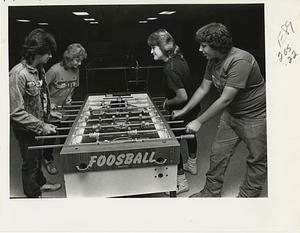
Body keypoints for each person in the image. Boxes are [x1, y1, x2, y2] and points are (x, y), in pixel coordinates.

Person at [172, 22, 267, 198]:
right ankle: (210, 192)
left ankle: (248, 197)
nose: (200, 49)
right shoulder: (213, 61)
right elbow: (203, 88)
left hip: (254, 116)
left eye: (204, 45)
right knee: (218, 154)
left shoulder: (240, 61)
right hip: (231, 114)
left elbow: (226, 98)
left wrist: (199, 121)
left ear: (217, 45)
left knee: (257, 158)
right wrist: (184, 110)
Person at [10, 28, 62, 198]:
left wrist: (49, 113)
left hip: (38, 125)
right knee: (30, 163)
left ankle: (41, 184)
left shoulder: (39, 69)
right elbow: (14, 111)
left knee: (38, 158)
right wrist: (41, 125)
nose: (50, 56)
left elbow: (40, 97)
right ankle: (33, 196)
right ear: (37, 52)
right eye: (48, 53)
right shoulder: (18, 74)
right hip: (26, 129)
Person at [148, 29, 201, 195]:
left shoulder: (169, 69)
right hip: (192, 108)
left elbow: (181, 96)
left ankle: (181, 181)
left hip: (181, 110)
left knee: (174, 143)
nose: (151, 51)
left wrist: (166, 102)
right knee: (189, 134)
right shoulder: (179, 59)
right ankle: (192, 165)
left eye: (153, 48)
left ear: (163, 48)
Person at [43, 43, 87, 175]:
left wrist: (69, 98)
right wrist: (48, 105)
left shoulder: (76, 71)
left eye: (81, 61)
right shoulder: (54, 70)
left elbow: (72, 88)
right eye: (77, 60)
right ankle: (48, 159)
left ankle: (68, 158)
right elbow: (41, 90)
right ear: (68, 57)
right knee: (50, 138)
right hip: (51, 111)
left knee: (66, 136)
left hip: (65, 111)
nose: (79, 63)